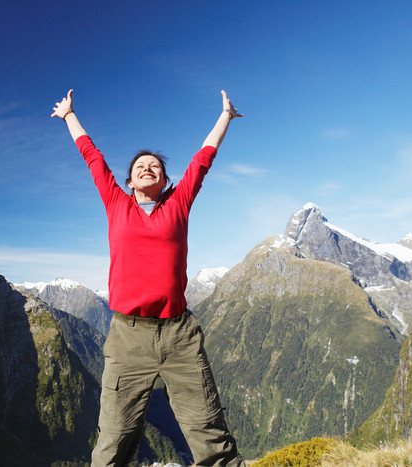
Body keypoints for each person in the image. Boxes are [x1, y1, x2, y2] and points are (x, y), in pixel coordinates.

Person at [51, 89, 245, 467]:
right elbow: (92, 157)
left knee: (208, 432)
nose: (147, 166)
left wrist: (225, 117)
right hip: (128, 336)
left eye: (155, 165)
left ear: (166, 179)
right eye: (140, 165)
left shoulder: (179, 204)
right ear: (128, 182)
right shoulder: (116, 204)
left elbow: (203, 159)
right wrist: (69, 116)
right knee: (114, 437)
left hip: (179, 335)